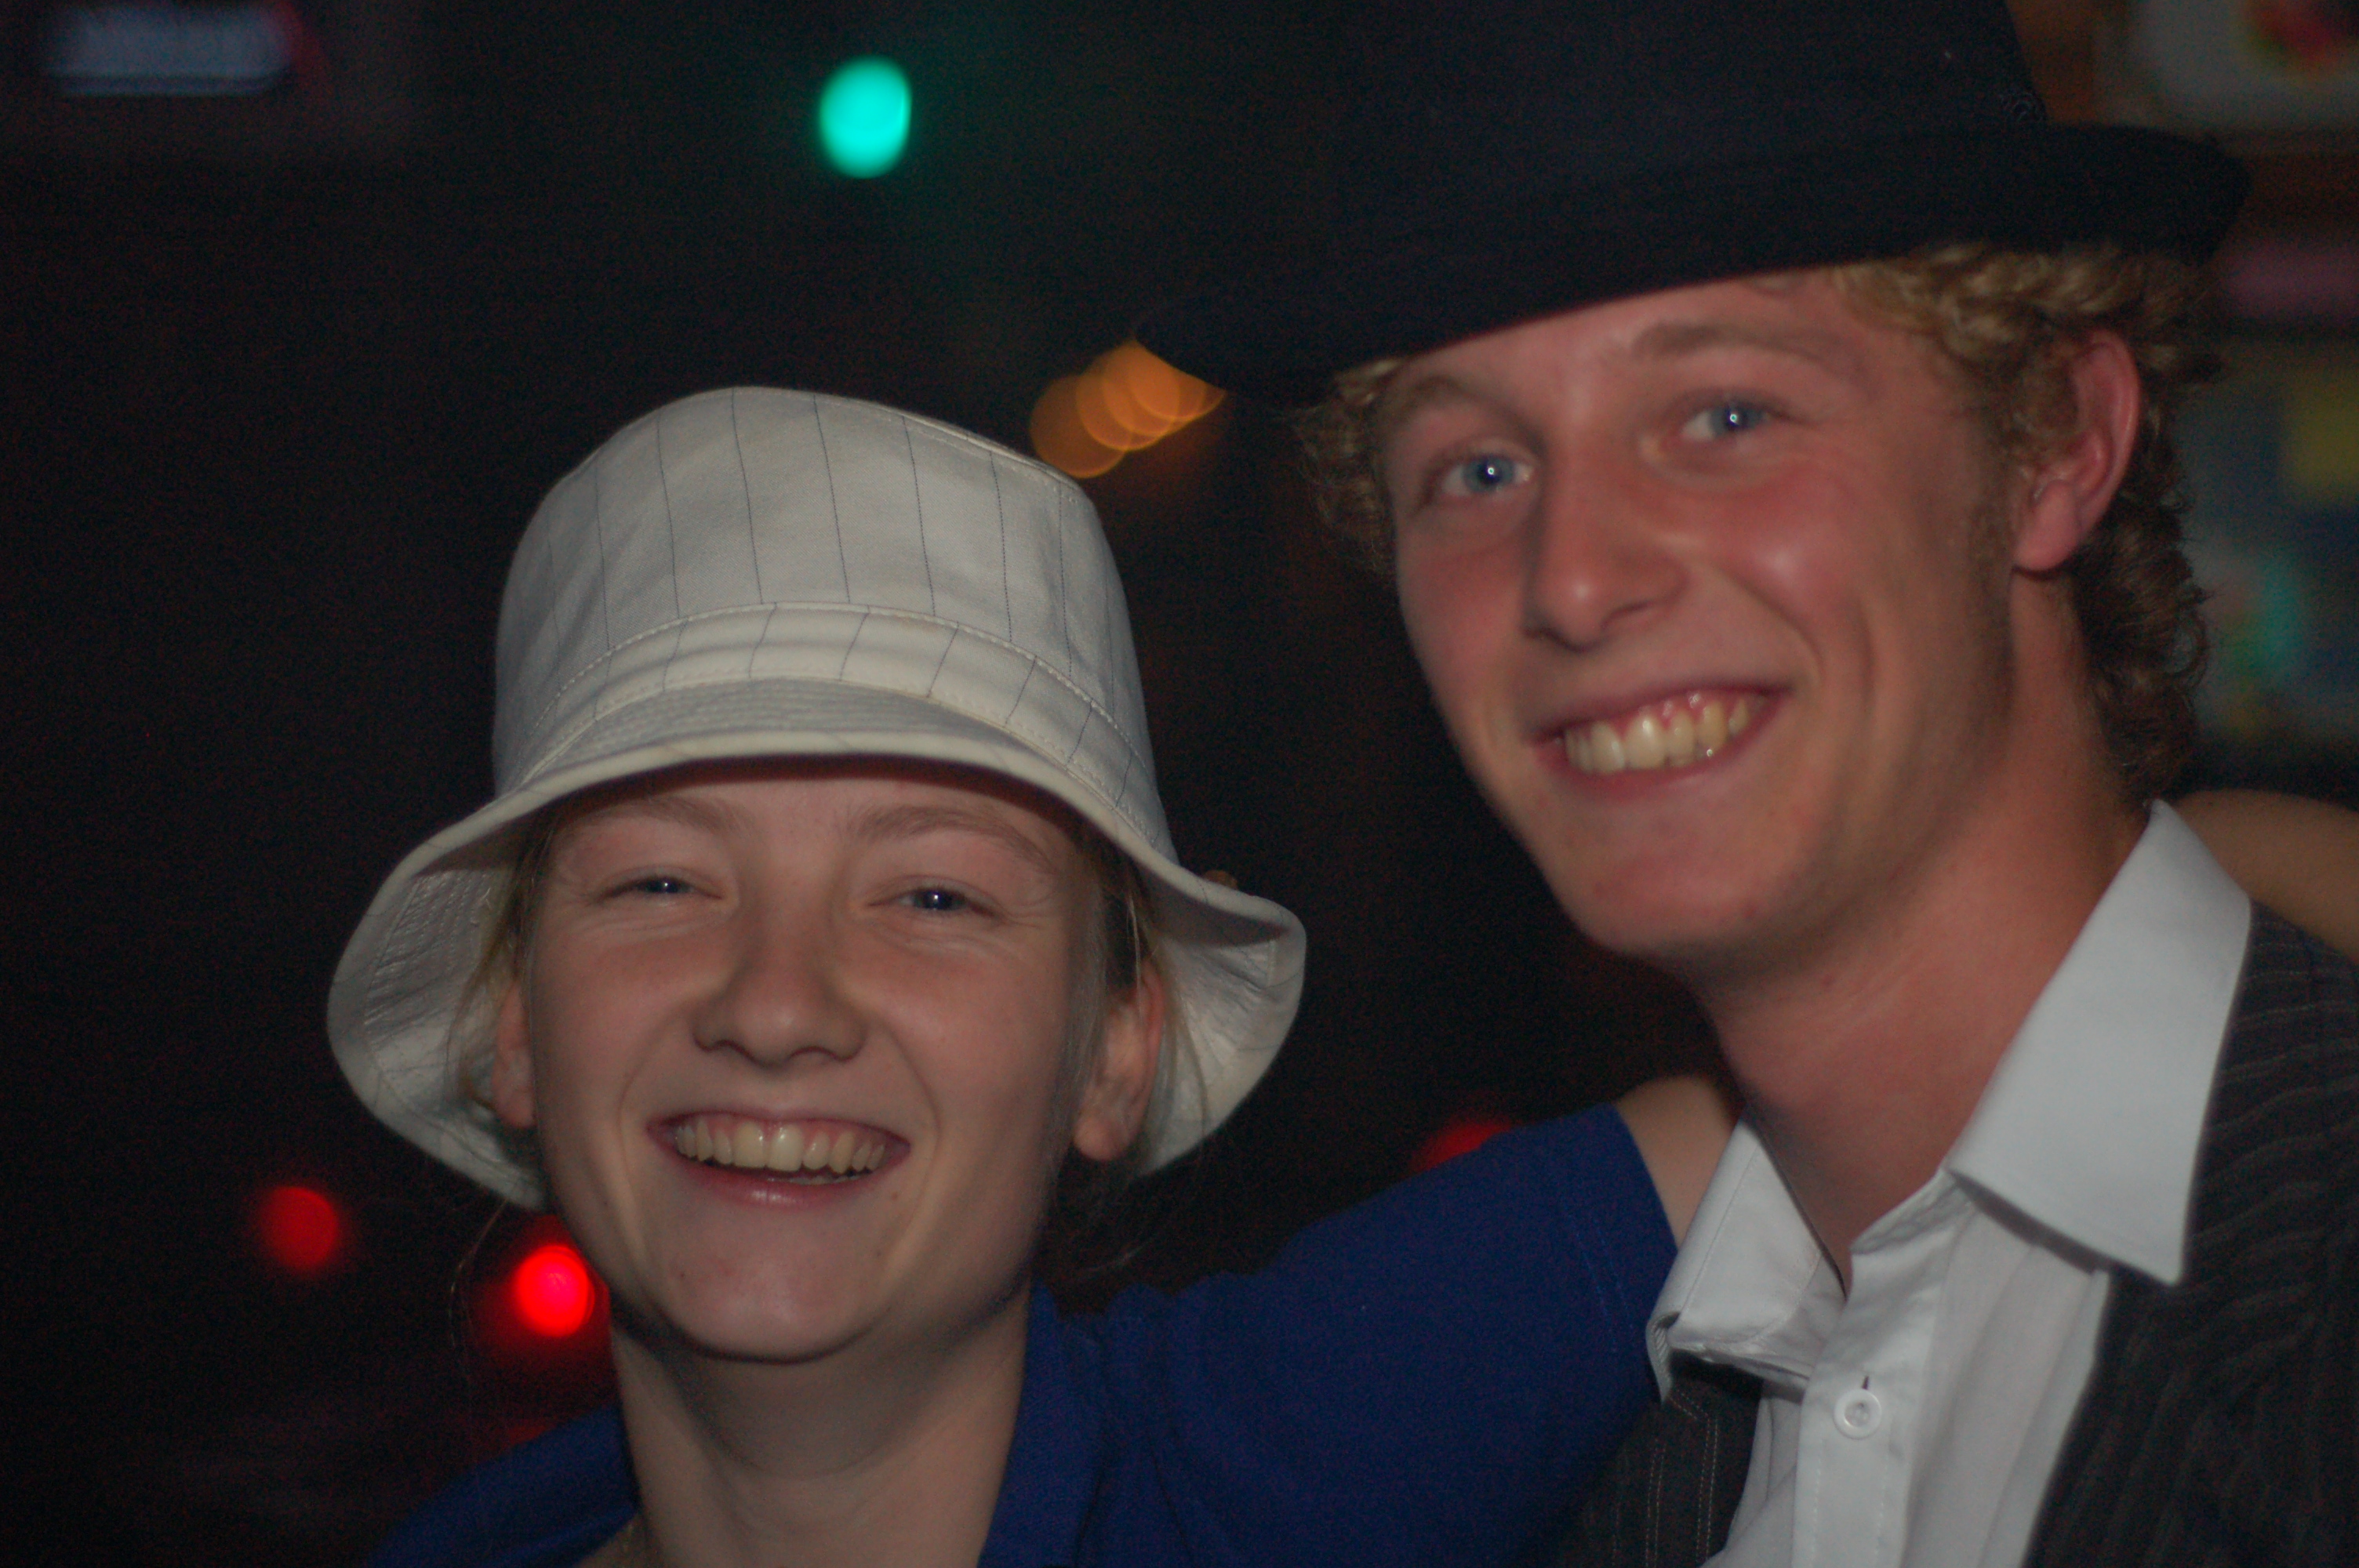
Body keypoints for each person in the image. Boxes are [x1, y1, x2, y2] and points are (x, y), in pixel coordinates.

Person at [1139, 0, 2359, 1563]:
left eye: (1724, 415)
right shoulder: (1568, 1442)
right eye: (1478, 469)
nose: (1571, 579)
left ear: (2056, 438)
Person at [334, 387, 1712, 1568]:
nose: (774, 1007)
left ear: (1115, 1048)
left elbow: (1829, 1078)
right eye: (661, 885)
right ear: (514, 1027)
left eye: (934, 896)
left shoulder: (1289, 1455)